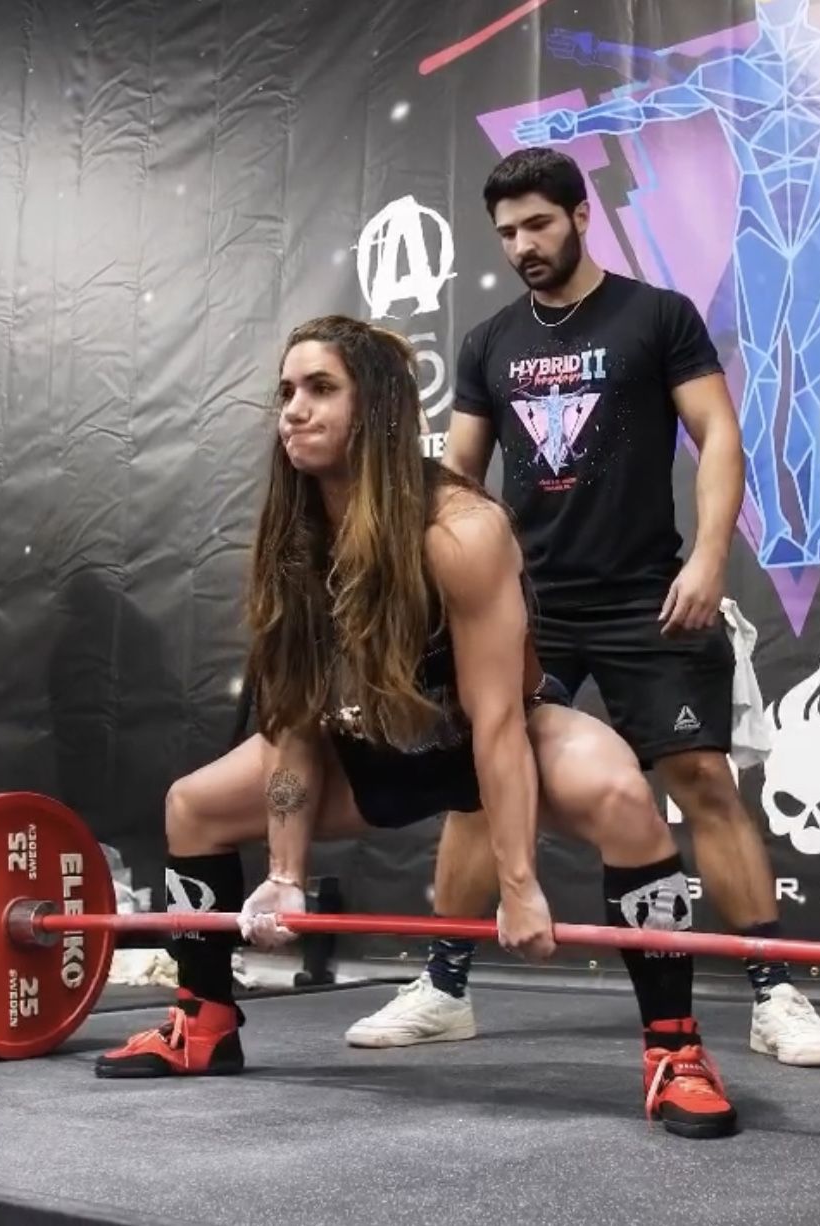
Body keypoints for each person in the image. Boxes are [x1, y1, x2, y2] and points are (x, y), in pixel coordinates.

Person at [95, 316, 738, 1139]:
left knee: (620, 795)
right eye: (286, 392)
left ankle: (674, 1051)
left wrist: (517, 883)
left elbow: (499, 719)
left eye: (321, 389)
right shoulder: (291, 537)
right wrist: (286, 873)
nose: (293, 409)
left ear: (381, 407)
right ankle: (204, 1020)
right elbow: (292, 711)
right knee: (194, 806)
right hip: (364, 747)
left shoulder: (459, 529)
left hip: (480, 741)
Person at [344, 148, 820, 1068]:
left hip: (649, 597)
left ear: (581, 215)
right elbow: (456, 479)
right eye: (505, 233)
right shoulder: (490, 341)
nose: (522, 245)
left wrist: (706, 558)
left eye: (538, 224)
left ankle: (775, 990)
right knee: (471, 786)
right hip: (524, 606)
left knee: (702, 784)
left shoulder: (656, 316)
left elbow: (719, 434)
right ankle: (447, 984)